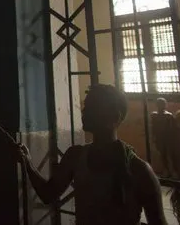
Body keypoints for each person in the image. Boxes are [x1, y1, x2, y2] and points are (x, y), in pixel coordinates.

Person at [15, 84, 167, 225]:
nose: (84, 111)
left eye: (92, 107)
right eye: (86, 106)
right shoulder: (75, 156)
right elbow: (48, 194)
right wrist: (27, 162)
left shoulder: (139, 171)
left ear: (115, 116)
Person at [150, 98, 178, 177]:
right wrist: (154, 137)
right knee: (163, 154)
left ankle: (173, 171)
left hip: (167, 138)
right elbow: (153, 127)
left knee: (171, 154)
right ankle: (168, 170)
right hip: (160, 138)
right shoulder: (154, 115)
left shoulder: (168, 115)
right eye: (160, 104)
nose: (161, 106)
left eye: (162, 104)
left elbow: (173, 128)